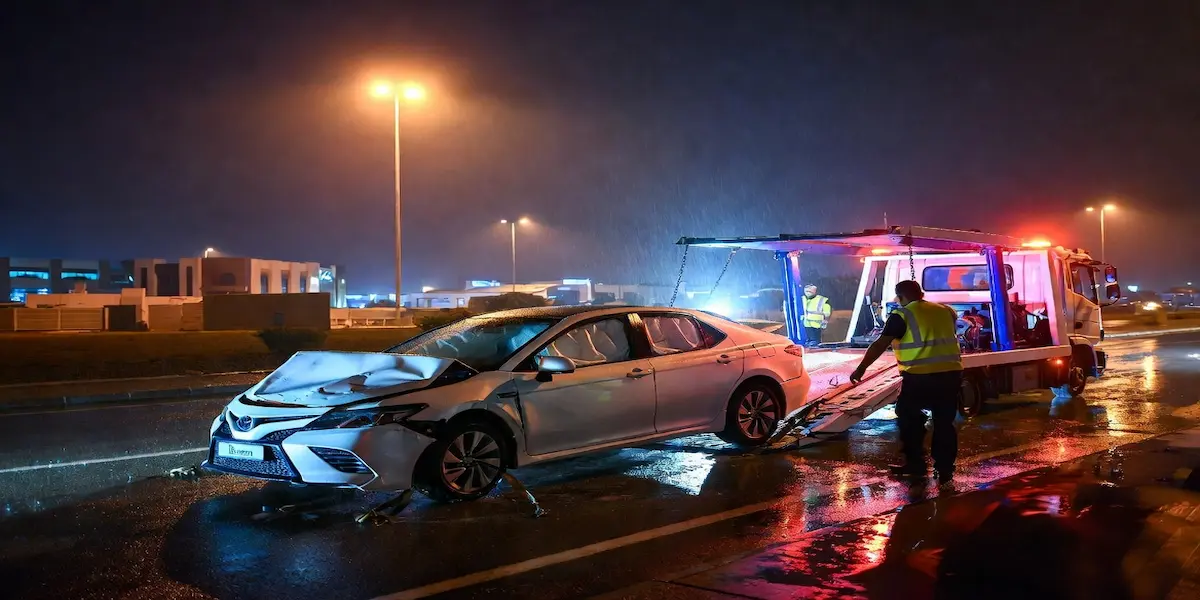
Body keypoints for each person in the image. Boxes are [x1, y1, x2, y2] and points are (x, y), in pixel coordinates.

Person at [850, 280, 963, 483]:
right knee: (944, 422)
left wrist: (861, 368)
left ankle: (916, 464)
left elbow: (879, 345)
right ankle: (945, 468)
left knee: (908, 417)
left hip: (920, 376)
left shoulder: (901, 315)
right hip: (951, 374)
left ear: (900, 296)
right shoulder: (946, 311)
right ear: (920, 293)